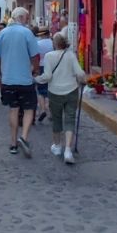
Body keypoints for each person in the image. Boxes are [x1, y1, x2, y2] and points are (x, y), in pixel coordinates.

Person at [0, 7, 40, 157]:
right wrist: (35, 69)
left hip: (8, 79)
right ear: (21, 18)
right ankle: (24, 137)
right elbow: (35, 56)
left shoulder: (2, 34)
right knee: (28, 109)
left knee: (13, 109)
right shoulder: (27, 33)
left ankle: (13, 143)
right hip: (25, 79)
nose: (27, 20)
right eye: (26, 18)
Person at [34, 33, 86, 165]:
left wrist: (36, 80)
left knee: (57, 119)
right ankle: (68, 150)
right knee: (70, 119)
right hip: (71, 91)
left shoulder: (49, 56)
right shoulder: (70, 55)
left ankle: (57, 147)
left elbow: (47, 76)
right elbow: (80, 73)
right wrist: (83, 81)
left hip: (55, 92)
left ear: (54, 44)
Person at [34, 27, 54, 123]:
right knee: (50, 88)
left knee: (40, 90)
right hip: (51, 67)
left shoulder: (37, 44)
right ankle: (49, 109)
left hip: (41, 66)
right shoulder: (53, 43)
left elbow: (36, 57)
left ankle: (42, 109)